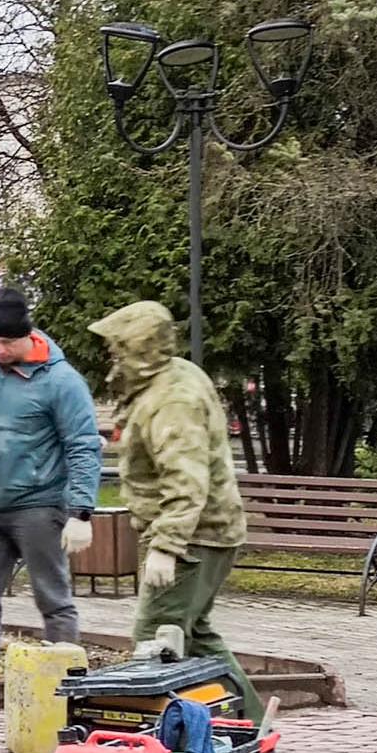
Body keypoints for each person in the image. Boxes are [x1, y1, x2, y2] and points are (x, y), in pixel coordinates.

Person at [87, 299, 263, 722]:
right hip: (209, 531)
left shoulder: (172, 401)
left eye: (117, 347)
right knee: (195, 636)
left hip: (193, 537)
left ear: (138, 348)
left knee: (155, 638)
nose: (111, 355)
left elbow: (186, 479)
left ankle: (158, 733)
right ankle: (249, 725)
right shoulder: (171, 378)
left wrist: (167, 547)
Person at [0, 287, 103, 705]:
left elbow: (83, 446)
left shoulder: (62, 382)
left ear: (28, 336)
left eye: (7, 342)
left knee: (52, 597)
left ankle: (68, 686)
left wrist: (81, 511)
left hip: (39, 506)